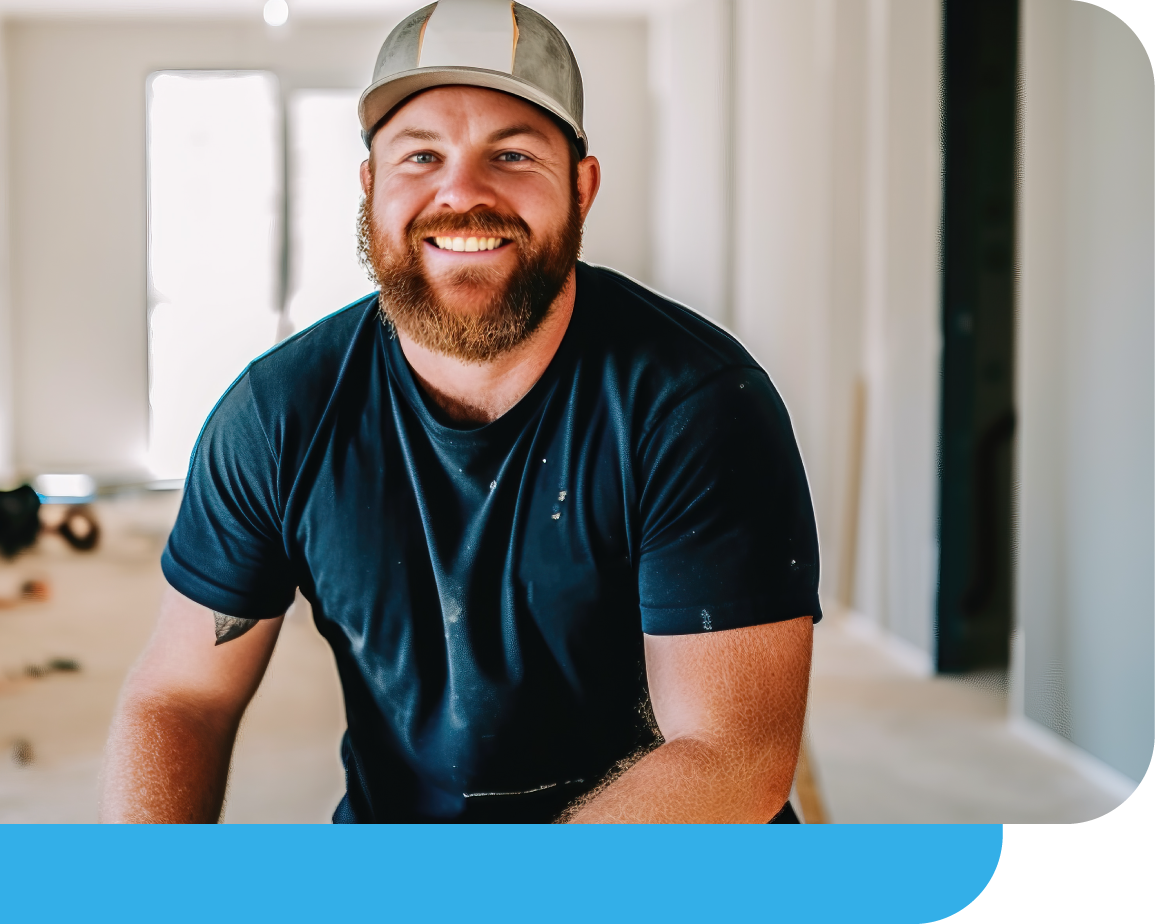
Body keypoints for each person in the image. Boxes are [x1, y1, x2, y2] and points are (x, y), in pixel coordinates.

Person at [100, 0, 820, 824]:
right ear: (371, 185)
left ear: (581, 189)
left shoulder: (694, 407)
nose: (461, 192)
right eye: (421, 155)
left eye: (510, 155)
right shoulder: (277, 416)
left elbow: (732, 757)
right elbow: (181, 694)